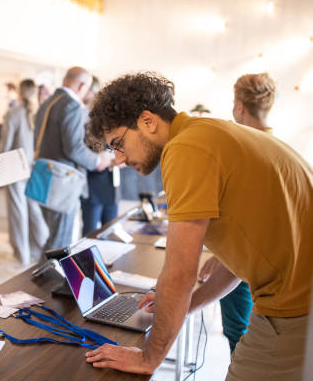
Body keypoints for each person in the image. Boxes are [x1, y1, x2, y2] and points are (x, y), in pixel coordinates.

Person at [85, 72, 312, 381]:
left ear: (148, 121)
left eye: (119, 144)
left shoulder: (186, 149)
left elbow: (179, 273)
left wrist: (149, 357)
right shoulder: (205, 133)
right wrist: (187, 304)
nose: (121, 159)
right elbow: (236, 264)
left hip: (295, 306)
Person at [197, 72, 276, 354]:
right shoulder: (277, 149)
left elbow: (249, 221)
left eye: (233, 103)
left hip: (246, 266)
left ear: (240, 106)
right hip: (258, 263)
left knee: (237, 333)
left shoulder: (247, 149)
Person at [34, 67, 114, 252]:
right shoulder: (71, 104)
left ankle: (43, 276)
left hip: (44, 175)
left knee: (55, 237)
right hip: (62, 181)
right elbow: (74, 148)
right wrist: (97, 161)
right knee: (60, 241)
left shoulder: (48, 102)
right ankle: (45, 279)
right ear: (82, 85)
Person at [0, 79, 49, 264]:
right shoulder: (40, 113)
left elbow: (5, 144)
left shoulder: (13, 113)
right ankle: (44, 246)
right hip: (36, 168)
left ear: (20, 92)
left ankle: (22, 255)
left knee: (18, 211)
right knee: (34, 210)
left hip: (16, 168)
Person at [80, 76, 120, 236]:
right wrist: (112, 160)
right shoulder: (88, 128)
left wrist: (112, 161)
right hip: (93, 186)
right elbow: (95, 160)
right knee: (90, 233)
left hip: (113, 186)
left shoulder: (116, 128)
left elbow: (124, 158)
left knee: (110, 232)